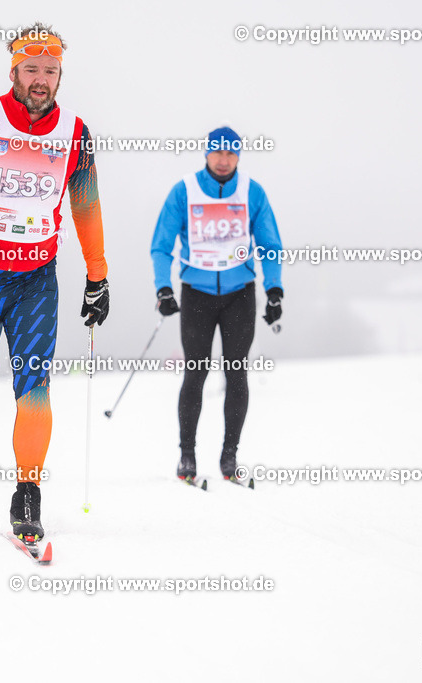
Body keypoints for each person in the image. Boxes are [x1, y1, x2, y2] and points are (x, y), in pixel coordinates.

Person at [0, 23, 109, 543]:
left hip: (35, 279)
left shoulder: (75, 132)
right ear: (13, 71)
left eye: (50, 71)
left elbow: (86, 205)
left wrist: (98, 276)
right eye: (31, 69)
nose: (41, 80)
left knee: (35, 392)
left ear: (60, 75)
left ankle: (26, 495)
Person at [150, 126, 283, 483]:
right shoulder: (185, 191)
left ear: (238, 156)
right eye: (217, 153)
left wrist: (274, 290)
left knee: (236, 372)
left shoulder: (251, 192)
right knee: (196, 372)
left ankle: (229, 457)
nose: (224, 161)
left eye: (231, 154)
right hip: (197, 294)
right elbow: (161, 245)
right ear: (206, 154)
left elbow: (270, 246)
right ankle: (187, 456)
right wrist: (164, 288)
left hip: (240, 294)